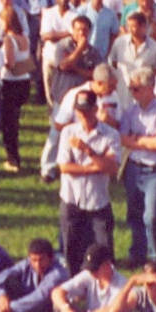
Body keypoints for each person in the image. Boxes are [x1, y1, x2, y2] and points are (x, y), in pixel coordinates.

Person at [56, 89, 120, 275]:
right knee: (71, 252)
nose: (82, 115)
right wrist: (94, 168)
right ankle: (74, 285)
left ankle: (107, 285)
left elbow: (111, 168)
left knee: (104, 252)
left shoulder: (110, 135)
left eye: (86, 110)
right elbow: (64, 167)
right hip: (72, 200)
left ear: (95, 109)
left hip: (98, 201)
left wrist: (87, 150)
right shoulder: (68, 132)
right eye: (79, 111)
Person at [116, 68, 156, 268]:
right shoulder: (131, 110)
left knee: (152, 215)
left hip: (154, 170)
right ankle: (137, 253)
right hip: (133, 168)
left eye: (136, 88)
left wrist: (136, 139)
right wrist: (146, 140)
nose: (132, 92)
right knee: (134, 213)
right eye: (131, 88)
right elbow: (122, 138)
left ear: (150, 88)